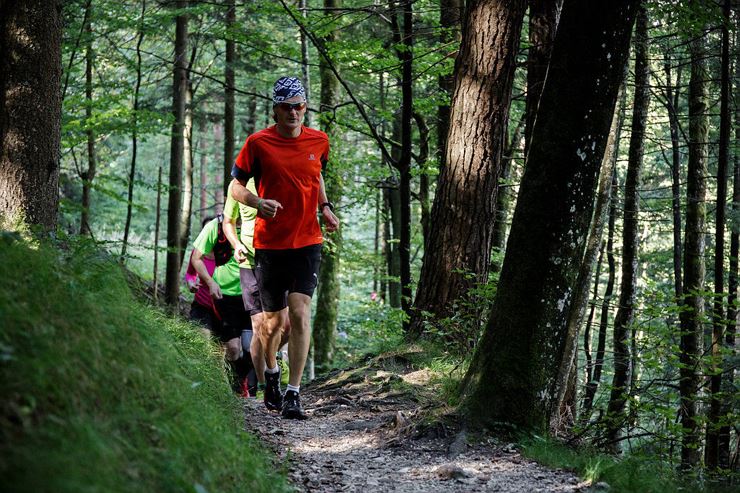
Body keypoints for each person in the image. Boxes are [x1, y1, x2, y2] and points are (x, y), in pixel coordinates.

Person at [230, 76, 339, 419]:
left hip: (307, 241)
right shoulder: (258, 143)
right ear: (275, 109)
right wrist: (257, 201)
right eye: (286, 107)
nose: (294, 113)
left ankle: (293, 393)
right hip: (270, 244)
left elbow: (316, 175)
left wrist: (325, 206)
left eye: (299, 106)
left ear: (305, 107)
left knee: (301, 313)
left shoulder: (320, 140)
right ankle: (272, 375)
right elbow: (234, 186)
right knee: (271, 325)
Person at [222, 180, 291, 398]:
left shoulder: (280, 174)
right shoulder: (238, 184)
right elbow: (228, 222)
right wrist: (236, 244)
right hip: (249, 261)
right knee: (259, 324)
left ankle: (273, 357)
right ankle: (265, 387)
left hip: (279, 259)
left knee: (284, 327)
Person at [190, 214, 256, 396]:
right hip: (224, 297)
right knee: (233, 349)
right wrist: (210, 283)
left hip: (252, 294)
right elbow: (195, 260)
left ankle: (240, 380)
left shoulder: (261, 223)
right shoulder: (216, 226)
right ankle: (230, 388)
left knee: (251, 348)